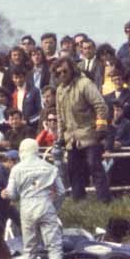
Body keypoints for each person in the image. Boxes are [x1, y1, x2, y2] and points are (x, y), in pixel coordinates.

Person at [2, 138, 66, 259]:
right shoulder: (49, 167)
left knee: (29, 248)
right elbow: (61, 192)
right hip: (46, 206)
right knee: (54, 245)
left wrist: (17, 195)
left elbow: (12, 194)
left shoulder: (16, 169)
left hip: (27, 208)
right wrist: (54, 208)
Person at [53, 57, 111, 202]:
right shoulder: (59, 90)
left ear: (72, 69)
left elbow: (100, 106)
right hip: (71, 138)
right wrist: (60, 137)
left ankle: (104, 201)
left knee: (94, 167)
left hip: (90, 134)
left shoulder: (84, 84)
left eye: (65, 71)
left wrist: (101, 127)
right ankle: (79, 203)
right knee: (73, 170)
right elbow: (60, 116)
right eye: (58, 73)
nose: (62, 75)